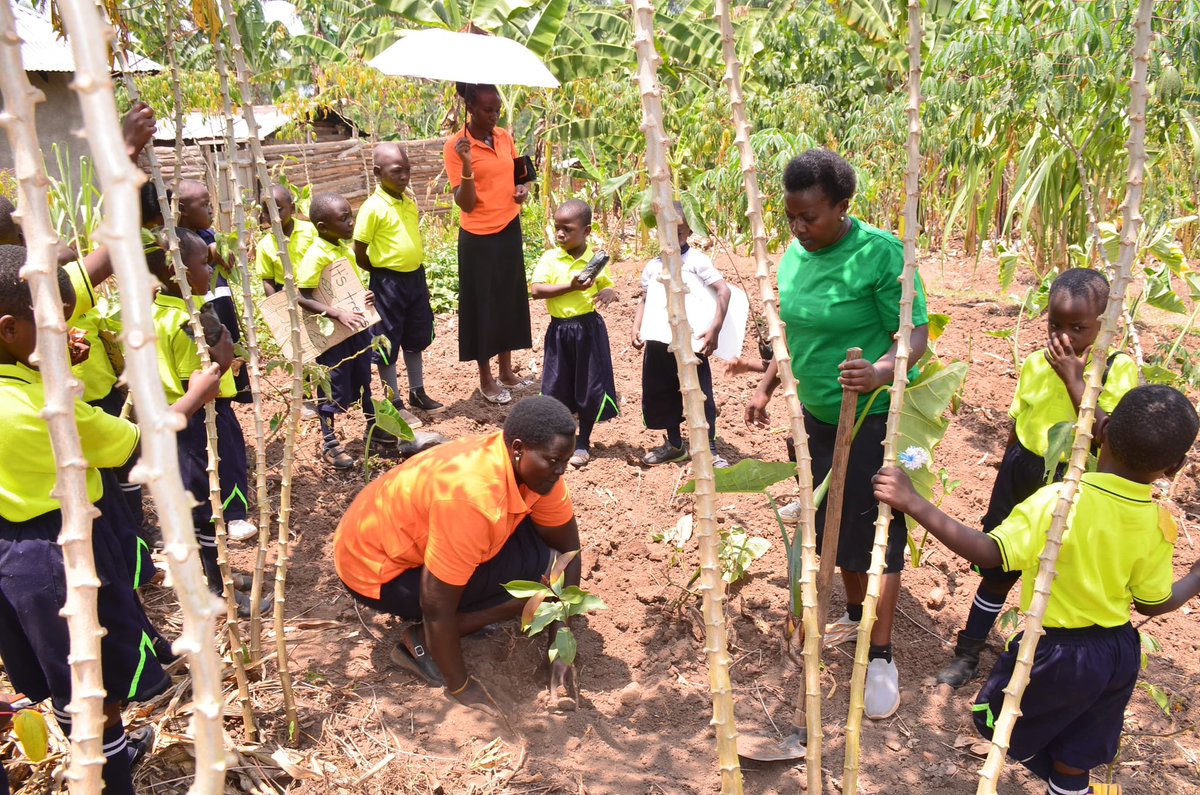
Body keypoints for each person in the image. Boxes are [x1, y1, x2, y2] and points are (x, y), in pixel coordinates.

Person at [874, 384, 1200, 795]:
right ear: (1174, 468)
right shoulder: (1159, 524)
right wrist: (1195, 577)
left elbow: (990, 552)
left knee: (994, 718)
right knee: (1075, 753)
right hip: (1117, 654)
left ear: (1102, 430)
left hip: (1057, 651)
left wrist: (914, 502)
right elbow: (1154, 602)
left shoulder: (1059, 502)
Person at [0, 244, 223, 795]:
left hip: (13, 557)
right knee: (92, 678)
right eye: (49, 321)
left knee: (62, 672)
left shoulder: (19, 390)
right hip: (61, 553)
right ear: (10, 329)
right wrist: (192, 399)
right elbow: (132, 441)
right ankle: (110, 770)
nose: (62, 330)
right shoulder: (38, 411)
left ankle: (100, 745)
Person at [746, 149, 931, 719]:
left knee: (873, 532)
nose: (799, 229)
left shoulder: (881, 256)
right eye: (791, 217)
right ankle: (855, 615)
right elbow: (790, 330)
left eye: (811, 218)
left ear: (843, 207)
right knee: (832, 529)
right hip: (814, 420)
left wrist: (879, 370)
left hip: (872, 417)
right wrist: (769, 384)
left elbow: (914, 336)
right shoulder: (793, 256)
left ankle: (881, 656)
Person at [938, 268, 1139, 688]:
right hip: (1022, 471)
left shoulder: (1118, 370)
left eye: (1078, 328)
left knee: (1056, 575)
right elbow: (1019, 420)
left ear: (1104, 326)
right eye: (1055, 324)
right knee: (997, 567)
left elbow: (1107, 435)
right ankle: (969, 651)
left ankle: (1040, 662)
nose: (1064, 337)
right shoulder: (1034, 363)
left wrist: (1074, 378)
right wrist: (1005, 466)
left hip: (1073, 482)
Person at [334, 396, 584, 714]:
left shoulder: (538, 471)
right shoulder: (472, 497)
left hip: (404, 540)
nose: (561, 470)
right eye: (553, 461)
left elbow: (568, 551)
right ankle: (421, 643)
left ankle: (456, 624)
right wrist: (462, 687)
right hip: (375, 570)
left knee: (547, 569)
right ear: (518, 448)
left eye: (565, 460)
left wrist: (560, 651)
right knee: (537, 585)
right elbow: (436, 604)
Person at [148, 228, 268, 617]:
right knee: (204, 505)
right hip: (198, 423)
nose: (210, 267)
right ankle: (217, 592)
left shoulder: (161, 311)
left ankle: (219, 575)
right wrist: (224, 347)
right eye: (203, 262)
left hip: (182, 423)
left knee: (202, 503)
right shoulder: (187, 325)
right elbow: (203, 385)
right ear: (176, 271)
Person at [443, 82, 533, 405]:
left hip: (509, 227)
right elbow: (465, 203)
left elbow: (520, 176)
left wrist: (524, 190)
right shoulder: (455, 146)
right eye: (487, 110)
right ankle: (486, 378)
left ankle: (507, 371)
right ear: (470, 108)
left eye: (497, 109)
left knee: (508, 300)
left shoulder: (505, 137)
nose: (494, 115)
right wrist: (467, 164)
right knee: (483, 306)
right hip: (478, 238)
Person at [298, 192, 397, 469]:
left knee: (364, 376)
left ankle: (372, 426)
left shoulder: (343, 248)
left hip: (355, 328)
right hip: (333, 335)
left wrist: (364, 297)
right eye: (344, 219)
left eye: (350, 216)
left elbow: (345, 286)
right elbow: (301, 295)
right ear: (323, 227)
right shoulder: (316, 254)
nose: (351, 223)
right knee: (333, 384)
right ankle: (329, 442)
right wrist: (337, 312)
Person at [632, 203, 731, 468]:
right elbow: (645, 299)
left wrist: (715, 328)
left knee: (699, 395)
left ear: (688, 231)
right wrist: (636, 327)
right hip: (658, 344)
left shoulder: (696, 261)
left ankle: (709, 450)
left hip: (690, 343)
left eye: (680, 231)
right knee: (662, 393)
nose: (674, 237)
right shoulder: (652, 267)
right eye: (667, 231)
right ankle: (675, 444)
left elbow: (724, 291)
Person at [353, 142, 442, 427]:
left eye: (407, 170)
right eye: (396, 171)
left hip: (414, 279)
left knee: (415, 335)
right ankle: (394, 401)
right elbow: (360, 249)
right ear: (378, 172)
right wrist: (381, 273)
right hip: (387, 283)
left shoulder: (408, 202)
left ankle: (417, 392)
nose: (404, 176)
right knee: (387, 341)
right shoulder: (372, 208)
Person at [530, 200, 618, 468]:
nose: (560, 234)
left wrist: (608, 292)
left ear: (586, 230)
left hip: (588, 330)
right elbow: (536, 290)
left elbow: (608, 286)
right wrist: (570, 286)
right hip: (559, 332)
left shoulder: (595, 260)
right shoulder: (550, 258)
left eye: (567, 229)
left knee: (589, 386)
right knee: (556, 385)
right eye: (557, 228)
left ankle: (584, 441)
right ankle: (560, 439)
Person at [255, 184, 316, 297]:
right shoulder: (264, 245)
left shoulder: (311, 231)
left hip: (315, 287)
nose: (273, 215)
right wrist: (275, 308)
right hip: (285, 294)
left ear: (292, 208)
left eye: (277, 210)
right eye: (267, 211)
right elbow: (268, 280)